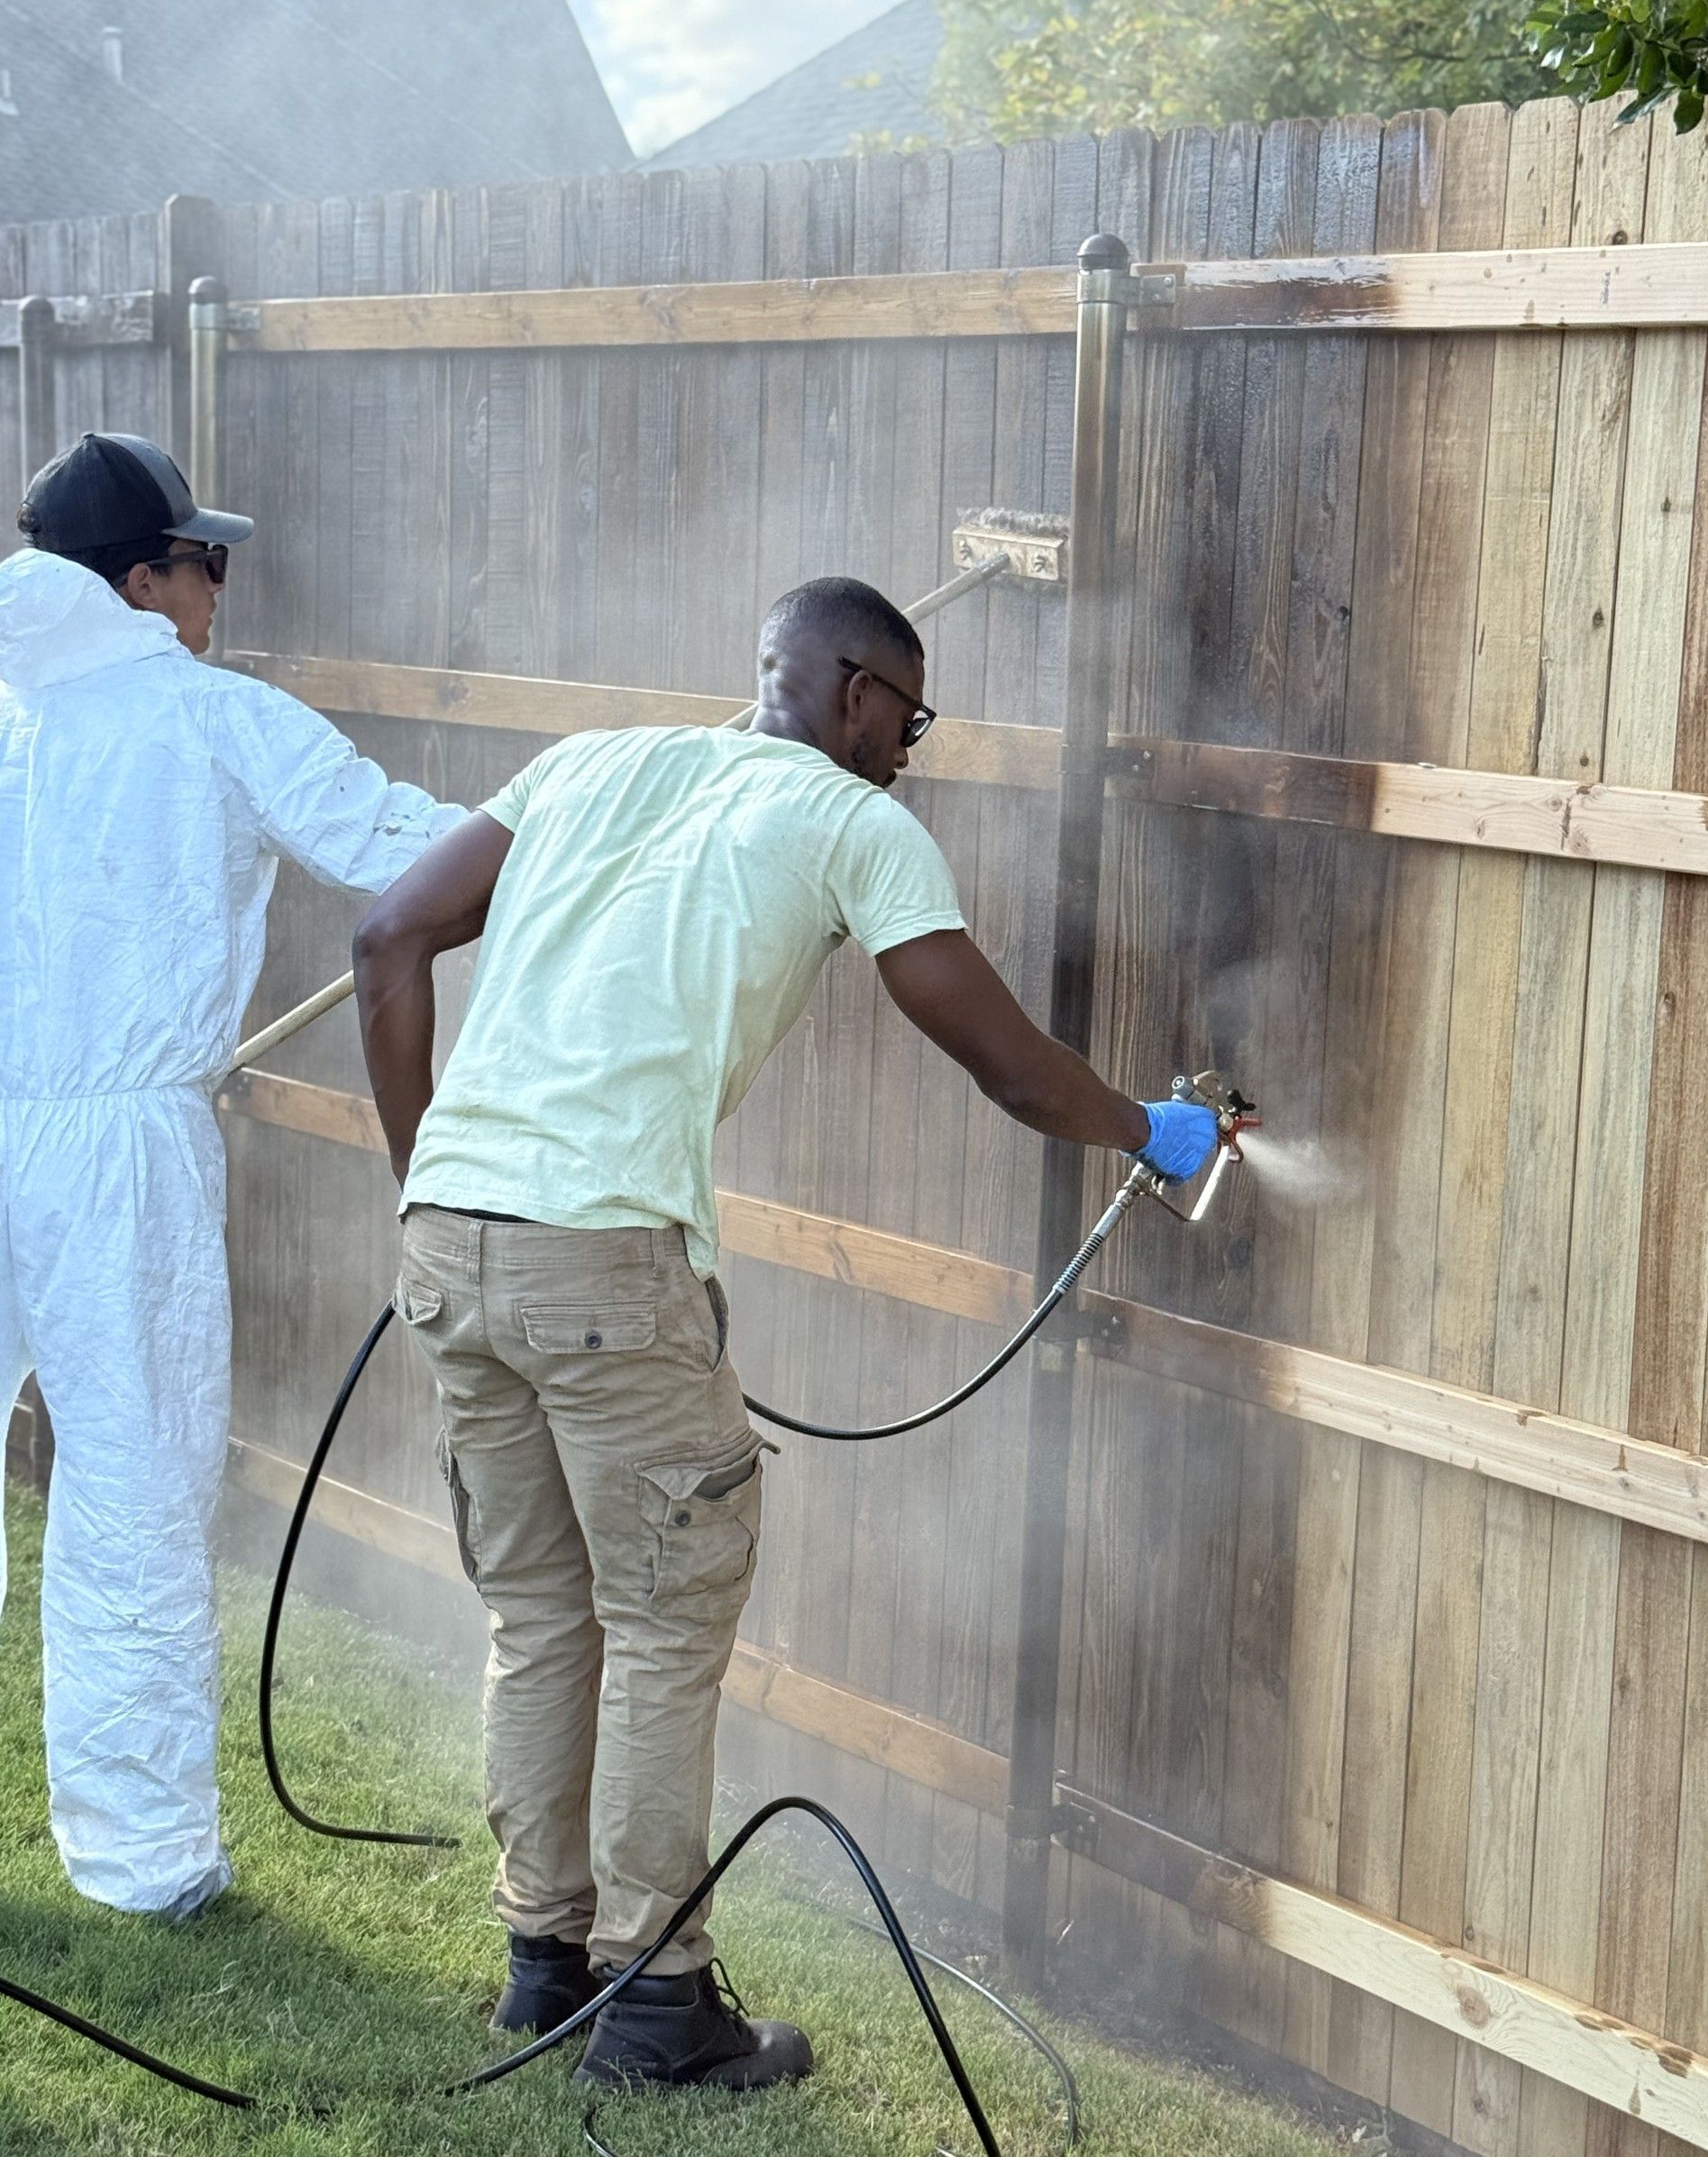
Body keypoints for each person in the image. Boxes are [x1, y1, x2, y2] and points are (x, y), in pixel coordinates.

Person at [352, 574, 1216, 2095]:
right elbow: (1007, 1067)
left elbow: (387, 940)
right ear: (860, 693)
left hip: (453, 1244)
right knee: (666, 1627)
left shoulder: (587, 763)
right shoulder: (851, 822)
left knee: (543, 1617)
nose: (909, 754)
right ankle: (653, 2004)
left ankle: (540, 1964)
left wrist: (436, 1177)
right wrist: (1150, 1129)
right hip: (605, 1259)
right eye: (911, 722)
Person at [0, 431, 466, 1922]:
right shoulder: (209, 717)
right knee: (129, 1493)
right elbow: (405, 848)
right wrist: (597, 819)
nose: (221, 585)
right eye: (206, 561)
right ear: (141, 583)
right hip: (112, 1157)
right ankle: (142, 1869)